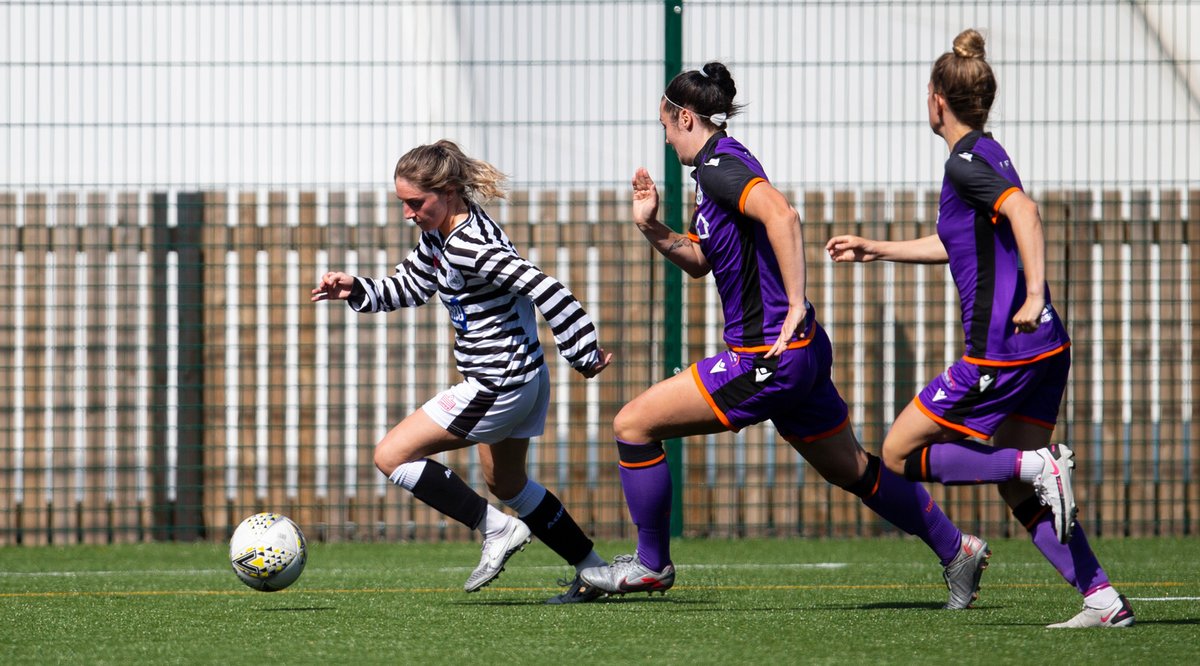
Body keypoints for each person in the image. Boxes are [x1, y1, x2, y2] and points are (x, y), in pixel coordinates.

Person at [579, 62, 989, 610]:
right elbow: (703, 260)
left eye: (666, 127)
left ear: (684, 117)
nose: (666, 139)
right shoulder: (722, 166)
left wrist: (795, 302)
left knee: (632, 425)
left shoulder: (720, 167)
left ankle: (651, 564)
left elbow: (783, 215)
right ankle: (955, 548)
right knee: (853, 468)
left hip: (764, 357)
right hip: (798, 354)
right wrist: (651, 226)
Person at [825, 29, 1134, 628]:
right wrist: (878, 248)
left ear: (937, 99)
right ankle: (1101, 599)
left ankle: (1039, 467)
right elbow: (957, 242)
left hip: (1002, 352)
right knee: (1014, 488)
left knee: (898, 453)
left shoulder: (965, 164)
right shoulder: (985, 154)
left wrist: (1036, 292)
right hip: (1044, 346)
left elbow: (1023, 210)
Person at [312, 140, 614, 604]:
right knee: (507, 483)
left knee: (391, 455)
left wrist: (582, 350)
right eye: (403, 204)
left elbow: (544, 286)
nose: (408, 214)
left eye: (416, 203)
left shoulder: (469, 245)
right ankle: (594, 571)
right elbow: (410, 286)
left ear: (449, 190)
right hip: (524, 379)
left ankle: (496, 529)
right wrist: (357, 288)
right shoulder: (442, 235)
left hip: (498, 383)